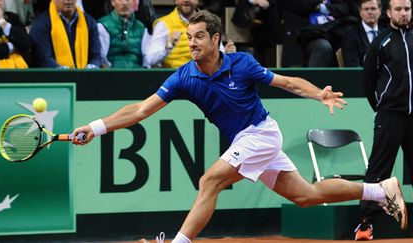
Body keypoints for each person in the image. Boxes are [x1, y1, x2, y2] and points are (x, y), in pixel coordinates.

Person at [72, 10, 407, 243]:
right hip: (248, 141)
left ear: (216, 39)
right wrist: (96, 126)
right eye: (188, 37)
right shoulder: (183, 77)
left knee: (209, 181)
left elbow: (287, 82)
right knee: (306, 196)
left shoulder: (242, 64)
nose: (192, 43)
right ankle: (380, 190)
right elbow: (141, 110)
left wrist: (319, 93)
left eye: (199, 37)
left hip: (260, 133)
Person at [355, 0, 412, 240]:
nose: (403, 13)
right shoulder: (379, 43)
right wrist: (382, 106)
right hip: (389, 115)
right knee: (378, 170)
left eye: (407, 9)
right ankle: (365, 224)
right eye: (398, 9)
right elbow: (369, 83)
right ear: (388, 13)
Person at [145, 0, 235, 68]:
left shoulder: (209, 22)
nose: (186, 0)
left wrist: (226, 55)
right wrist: (169, 45)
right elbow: (150, 60)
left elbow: (218, 54)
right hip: (174, 78)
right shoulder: (163, 24)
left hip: (204, 76)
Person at [29, 0, 101, 68]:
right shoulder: (40, 24)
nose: (68, 0)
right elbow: (44, 58)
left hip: (84, 76)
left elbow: (96, 56)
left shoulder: (89, 22)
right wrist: (66, 74)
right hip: (54, 78)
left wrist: (90, 69)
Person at [98, 0, 148, 68]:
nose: (124, 3)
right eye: (120, 0)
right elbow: (101, 59)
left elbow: (147, 60)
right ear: (113, 2)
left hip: (138, 74)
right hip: (111, 74)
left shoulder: (141, 28)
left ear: (134, 2)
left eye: (128, 0)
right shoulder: (103, 25)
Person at [0, 0, 31, 68]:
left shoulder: (12, 17)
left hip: (20, 69)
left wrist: (3, 23)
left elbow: (26, 43)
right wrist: (11, 47)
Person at [342, 0, 384, 67]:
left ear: (380, 11)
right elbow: (353, 68)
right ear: (360, 12)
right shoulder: (350, 37)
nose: (369, 12)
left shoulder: (386, 35)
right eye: (366, 9)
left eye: (373, 9)